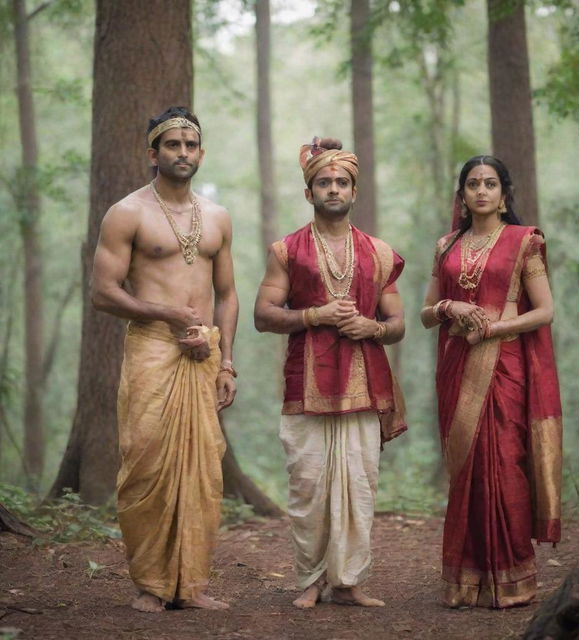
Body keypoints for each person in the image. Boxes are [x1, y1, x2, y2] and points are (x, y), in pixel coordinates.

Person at [91, 106, 238, 612]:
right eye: (172, 145)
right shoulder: (127, 212)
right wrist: (168, 315)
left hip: (204, 354)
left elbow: (229, 295)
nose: (183, 153)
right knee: (146, 463)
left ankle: (190, 584)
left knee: (202, 470)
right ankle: (152, 584)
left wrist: (226, 362)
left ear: (201, 152)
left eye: (190, 145)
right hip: (152, 348)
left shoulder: (217, 217)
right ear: (153, 153)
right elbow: (103, 293)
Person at [254, 137, 407, 609]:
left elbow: (398, 325)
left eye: (342, 182)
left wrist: (371, 326)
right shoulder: (288, 250)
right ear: (309, 191)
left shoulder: (379, 253)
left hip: (363, 383)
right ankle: (311, 579)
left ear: (354, 191)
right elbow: (263, 314)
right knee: (308, 484)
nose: (334, 189)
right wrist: (313, 317)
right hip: (308, 383)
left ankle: (349, 581)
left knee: (359, 483)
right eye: (324, 182)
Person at [420, 155, 562, 608]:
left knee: (504, 466)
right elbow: (427, 312)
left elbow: (544, 311)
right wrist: (451, 309)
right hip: (458, 369)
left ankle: (512, 578)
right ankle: (467, 579)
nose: (481, 191)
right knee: (467, 474)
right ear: (461, 194)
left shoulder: (524, 242)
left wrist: (494, 328)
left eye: (491, 183)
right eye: (473, 184)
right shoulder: (446, 245)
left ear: (504, 194)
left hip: (505, 367)